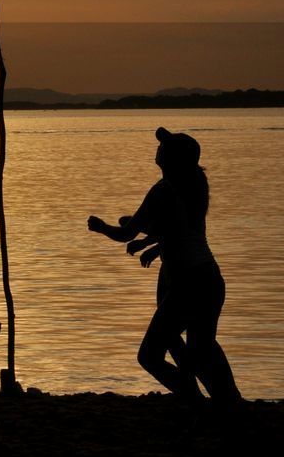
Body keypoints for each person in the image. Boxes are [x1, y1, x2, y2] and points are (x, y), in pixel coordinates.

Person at [88, 127, 241, 411]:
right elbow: (179, 229)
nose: (157, 149)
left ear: (169, 159)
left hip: (187, 283)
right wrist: (152, 241)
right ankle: (228, 403)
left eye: (163, 147)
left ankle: (195, 400)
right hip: (208, 278)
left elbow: (126, 234)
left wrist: (100, 227)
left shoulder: (162, 191)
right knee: (202, 349)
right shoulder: (197, 184)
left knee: (150, 356)